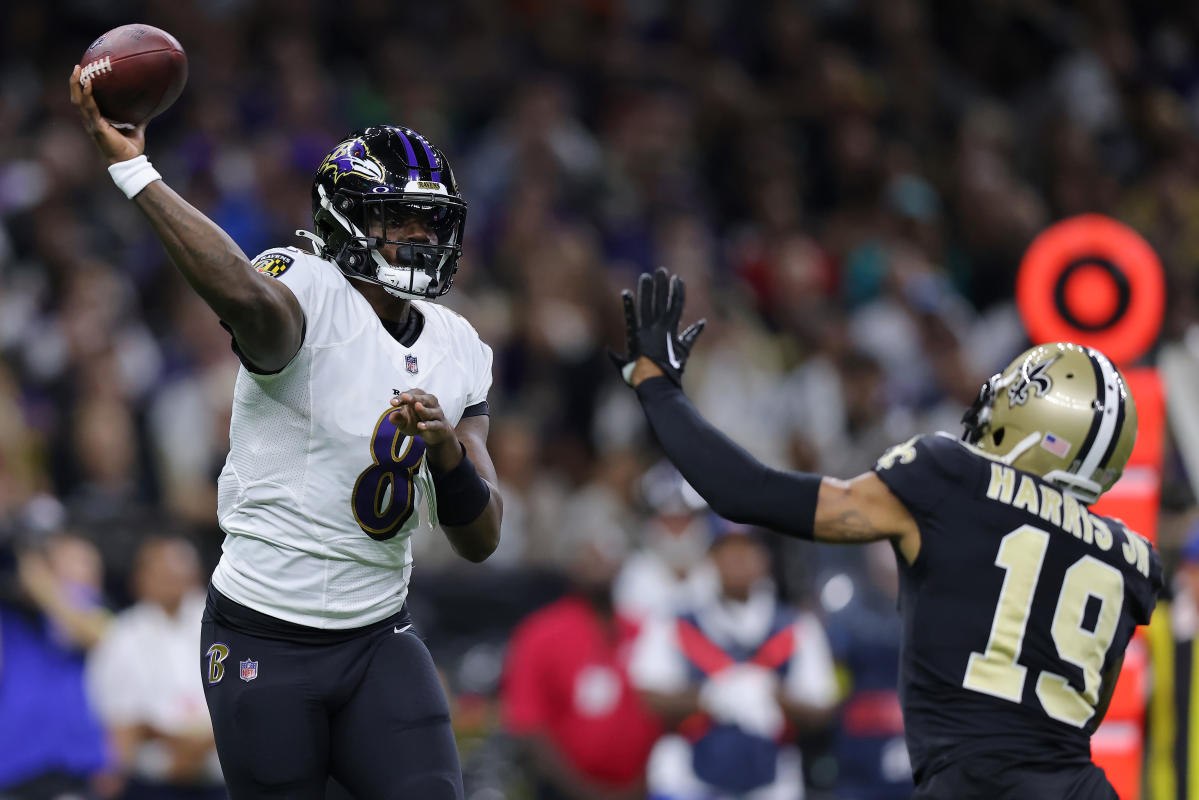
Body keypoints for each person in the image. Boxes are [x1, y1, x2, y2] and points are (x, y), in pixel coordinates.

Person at [70, 65, 503, 800]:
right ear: (348, 223)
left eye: (432, 221)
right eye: (401, 219)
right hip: (264, 636)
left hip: (377, 635)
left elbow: (481, 537)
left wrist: (447, 450)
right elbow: (243, 295)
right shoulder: (303, 286)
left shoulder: (459, 345)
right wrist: (136, 171)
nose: (423, 237)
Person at [611, 268, 1163, 799]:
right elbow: (1085, 709)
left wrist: (658, 389)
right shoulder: (1133, 560)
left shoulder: (951, 479)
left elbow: (748, 493)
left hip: (971, 785)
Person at [629, 521, 837, 800]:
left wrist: (772, 694)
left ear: (764, 558)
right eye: (727, 552)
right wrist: (709, 697)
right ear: (710, 560)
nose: (737, 561)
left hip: (771, 781)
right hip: (688, 779)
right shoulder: (674, 621)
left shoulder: (797, 628)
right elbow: (648, 693)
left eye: (747, 551)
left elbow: (822, 708)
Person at [501, 525, 660, 800]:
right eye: (589, 555)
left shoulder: (645, 630)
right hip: (564, 792)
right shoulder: (540, 633)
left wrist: (643, 784)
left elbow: (666, 711)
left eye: (606, 553)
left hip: (645, 789)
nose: (598, 562)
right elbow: (527, 724)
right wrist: (583, 792)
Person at [86, 535, 224, 799]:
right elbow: (117, 717)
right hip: (152, 783)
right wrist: (178, 744)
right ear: (141, 578)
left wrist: (204, 743)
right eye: (163, 573)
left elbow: (241, 693)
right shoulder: (121, 636)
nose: (173, 581)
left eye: (180, 571)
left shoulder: (221, 626)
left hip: (220, 775)